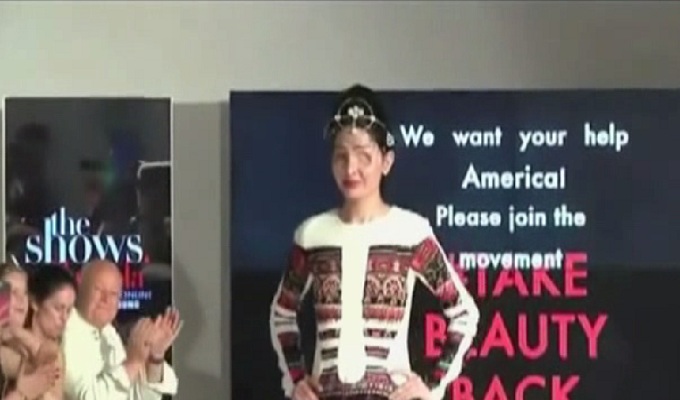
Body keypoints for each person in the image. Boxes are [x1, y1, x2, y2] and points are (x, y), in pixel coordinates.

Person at [269, 85, 480, 400]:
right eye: (341, 156)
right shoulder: (312, 235)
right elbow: (282, 313)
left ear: (386, 161)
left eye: (363, 156)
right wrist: (296, 380)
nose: (350, 168)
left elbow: (463, 313)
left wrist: (432, 385)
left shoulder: (411, 232)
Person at [62, 260, 181, 400]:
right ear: (80, 287)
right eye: (98, 290)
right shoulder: (65, 333)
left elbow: (140, 397)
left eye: (113, 294)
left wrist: (155, 357)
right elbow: (88, 397)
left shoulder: (109, 333)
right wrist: (133, 362)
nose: (105, 300)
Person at [0, 263, 64, 400]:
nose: (21, 299)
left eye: (25, 293)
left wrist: (21, 335)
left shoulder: (23, 344)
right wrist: (23, 392)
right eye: (13, 292)